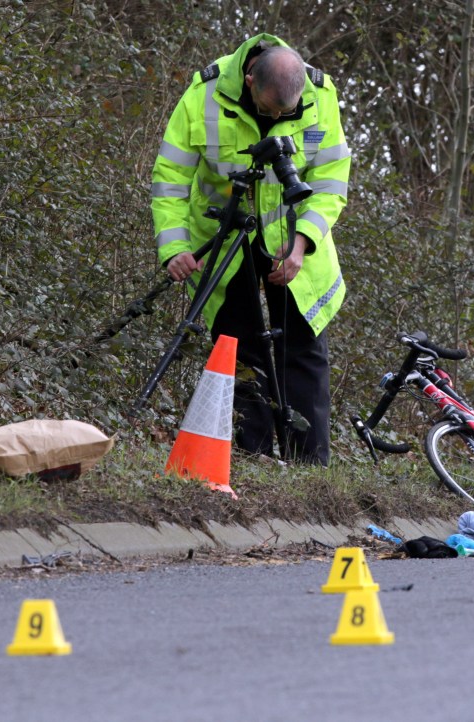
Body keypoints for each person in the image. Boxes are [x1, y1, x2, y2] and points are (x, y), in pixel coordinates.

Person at [151, 34, 350, 465]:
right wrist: (175, 247)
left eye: (286, 112)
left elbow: (332, 181)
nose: (277, 117)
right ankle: (249, 458)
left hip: (293, 242)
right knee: (236, 347)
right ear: (247, 80)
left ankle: (309, 471)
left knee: (302, 350)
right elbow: (170, 180)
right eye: (268, 109)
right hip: (224, 238)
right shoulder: (202, 94)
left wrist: (302, 244)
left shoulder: (320, 94)